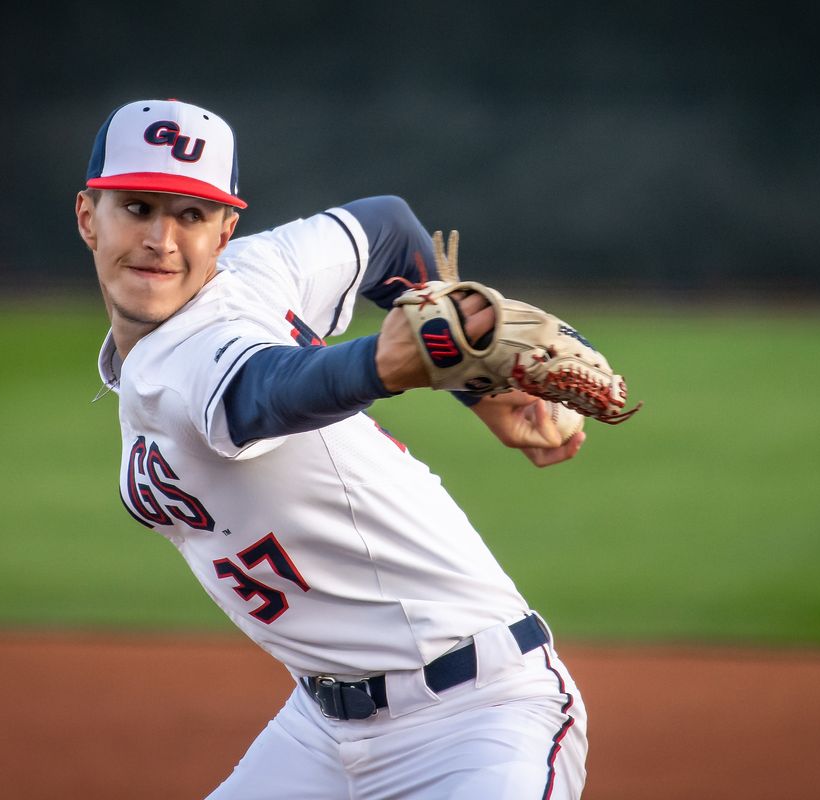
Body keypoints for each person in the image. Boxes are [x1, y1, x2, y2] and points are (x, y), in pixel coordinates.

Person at [75, 97, 589, 799]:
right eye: (137, 207)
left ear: (225, 230)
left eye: (190, 215)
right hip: (320, 731)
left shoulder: (195, 352)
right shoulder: (262, 272)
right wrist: (479, 388)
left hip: (480, 720)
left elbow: (267, 390)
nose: (163, 238)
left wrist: (384, 366)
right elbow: (384, 228)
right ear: (87, 216)